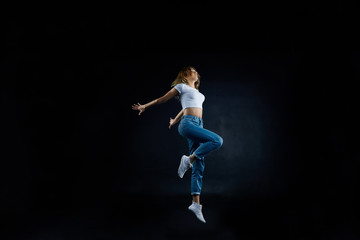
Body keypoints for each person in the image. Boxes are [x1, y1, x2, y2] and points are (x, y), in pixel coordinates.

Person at [132, 66, 223, 223]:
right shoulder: (181, 87)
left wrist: (174, 119)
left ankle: (196, 204)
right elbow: (162, 99)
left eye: (196, 71)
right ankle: (188, 159)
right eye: (193, 71)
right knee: (217, 140)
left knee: (199, 165)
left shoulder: (198, 93)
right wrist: (144, 106)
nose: (197, 73)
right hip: (188, 125)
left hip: (198, 125)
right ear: (185, 74)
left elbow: (185, 107)